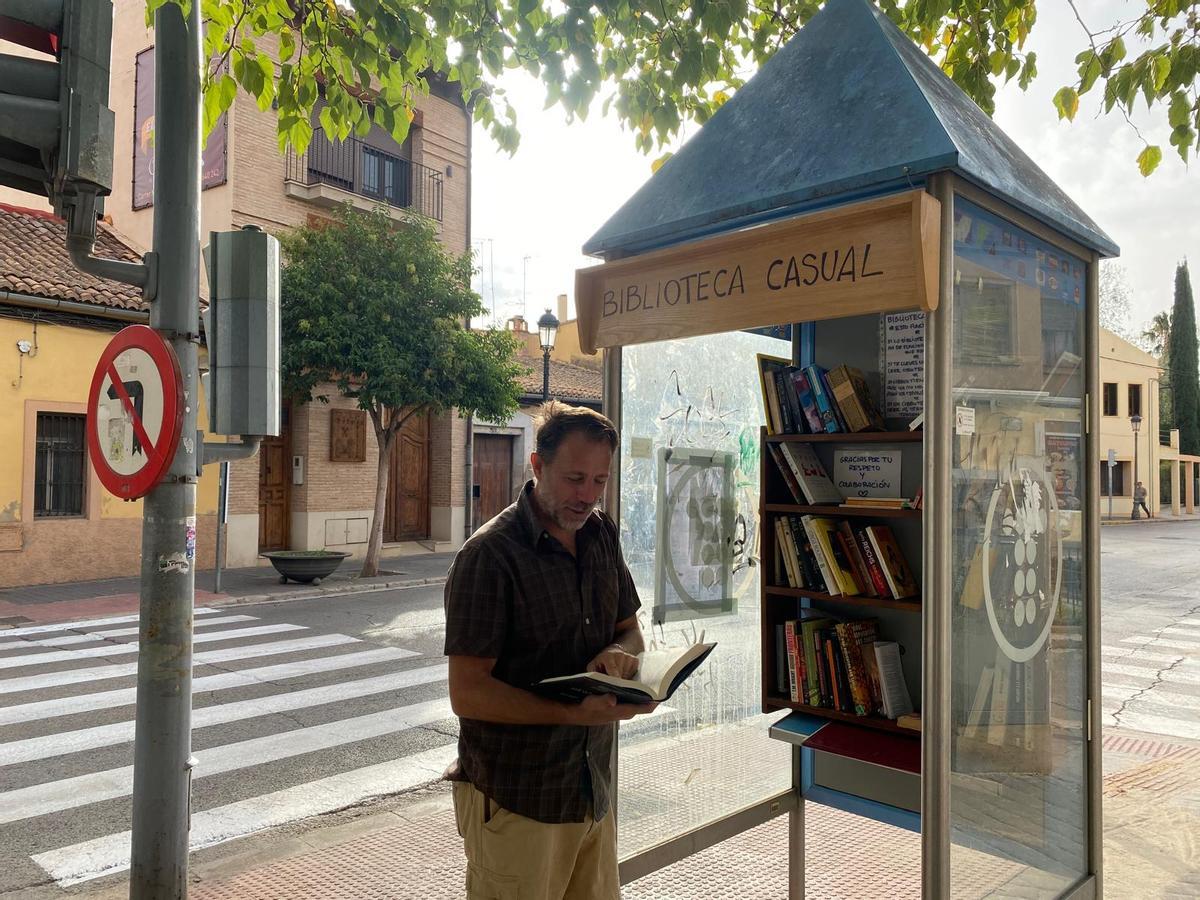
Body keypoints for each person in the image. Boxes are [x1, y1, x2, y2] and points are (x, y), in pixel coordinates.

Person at [443, 401, 656, 900]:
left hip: (590, 792)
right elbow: (468, 694)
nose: (587, 496)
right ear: (537, 466)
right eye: (574, 478)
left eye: (599, 481)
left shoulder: (601, 534)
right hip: (519, 799)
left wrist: (620, 657)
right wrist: (571, 715)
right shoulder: (488, 557)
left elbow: (630, 629)